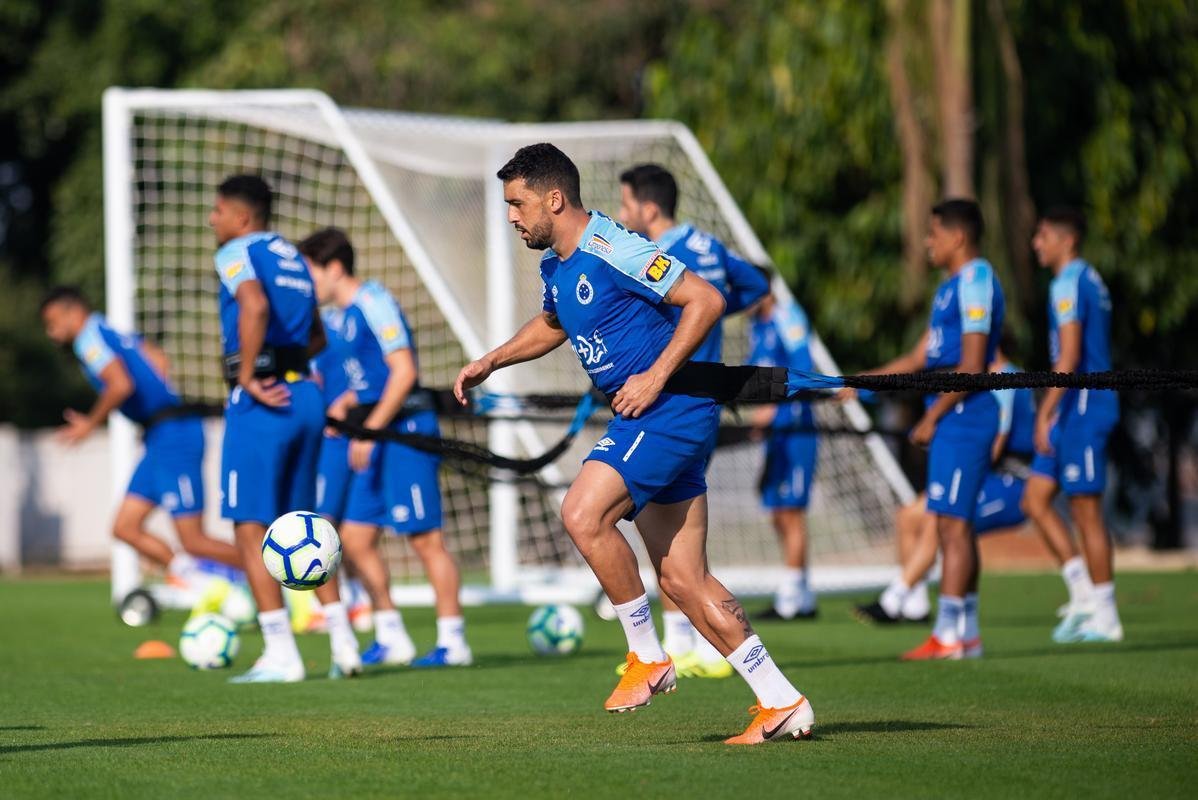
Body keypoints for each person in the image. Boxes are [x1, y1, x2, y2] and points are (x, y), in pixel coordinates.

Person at [455, 143, 813, 744]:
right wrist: (491, 360)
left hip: (668, 410)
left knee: (582, 512)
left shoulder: (614, 247)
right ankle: (781, 700)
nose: (511, 217)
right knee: (683, 581)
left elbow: (707, 299)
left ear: (554, 199)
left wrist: (655, 376)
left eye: (517, 204)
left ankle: (647, 654)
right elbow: (552, 324)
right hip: (646, 418)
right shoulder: (557, 269)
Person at [613, 163, 769, 679]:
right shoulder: (710, 246)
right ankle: (706, 648)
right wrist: (716, 314)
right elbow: (755, 286)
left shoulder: (654, 257)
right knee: (681, 530)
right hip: (705, 397)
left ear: (648, 207)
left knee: (657, 526)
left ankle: (679, 644)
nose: (621, 214)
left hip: (668, 398)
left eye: (626, 204)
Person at [209, 175, 360, 683]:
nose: (212, 220)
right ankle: (343, 641)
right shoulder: (293, 256)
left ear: (241, 217)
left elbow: (253, 304)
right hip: (305, 397)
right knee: (304, 526)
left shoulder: (237, 251)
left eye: (217, 210)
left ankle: (281, 652)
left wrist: (249, 375)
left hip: (264, 401)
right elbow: (316, 335)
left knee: (250, 526)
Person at [300, 227, 471, 668]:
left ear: (334, 268)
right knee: (355, 540)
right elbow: (370, 379)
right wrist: (347, 403)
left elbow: (403, 372)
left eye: (310, 272)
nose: (307, 283)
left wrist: (368, 430)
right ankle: (391, 633)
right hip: (377, 431)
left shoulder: (374, 302)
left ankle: (453, 641)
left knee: (425, 539)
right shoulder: (340, 317)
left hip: (406, 430)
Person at [842, 199, 1004, 661]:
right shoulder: (949, 288)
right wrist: (865, 383)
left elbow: (973, 366)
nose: (927, 242)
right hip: (952, 414)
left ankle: (949, 635)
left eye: (933, 233)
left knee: (952, 527)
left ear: (958, 236)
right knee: (955, 526)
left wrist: (932, 417)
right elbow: (918, 359)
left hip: (966, 415)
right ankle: (965, 633)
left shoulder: (976, 280)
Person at [40, 286, 242, 595]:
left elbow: (120, 384)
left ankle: (278, 579)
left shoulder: (88, 341)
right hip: (159, 435)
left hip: (174, 435)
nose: (51, 333)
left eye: (52, 323)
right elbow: (158, 359)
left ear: (72, 311)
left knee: (194, 540)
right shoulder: (108, 330)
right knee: (125, 527)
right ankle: (197, 581)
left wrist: (90, 424)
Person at [856, 348, 1037, 633]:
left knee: (939, 521)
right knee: (908, 516)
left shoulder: (1002, 380)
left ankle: (894, 600)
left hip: (1008, 483)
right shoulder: (978, 375)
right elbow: (915, 360)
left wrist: (944, 438)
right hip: (985, 476)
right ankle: (915, 605)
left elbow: (993, 449)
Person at [1025, 207, 1122, 643]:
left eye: (1043, 235)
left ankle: (1106, 616)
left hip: (1083, 403)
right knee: (1035, 498)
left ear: (1067, 240)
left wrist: (1044, 411)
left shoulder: (1068, 282)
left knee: (1085, 510)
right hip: (1072, 406)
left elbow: (1068, 356)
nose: (1036, 244)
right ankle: (1083, 595)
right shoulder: (1089, 279)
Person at [747, 292, 819, 621]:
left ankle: (790, 599)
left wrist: (774, 410)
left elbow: (803, 369)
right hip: (774, 434)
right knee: (778, 511)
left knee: (791, 511)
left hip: (796, 429)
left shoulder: (787, 316)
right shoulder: (756, 326)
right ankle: (802, 594)